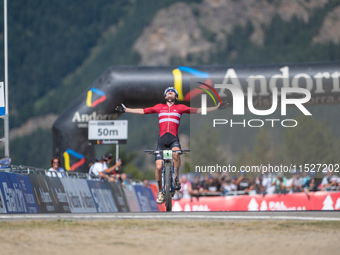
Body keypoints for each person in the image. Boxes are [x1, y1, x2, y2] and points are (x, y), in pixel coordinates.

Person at [115, 86, 226, 204]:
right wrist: (125, 109)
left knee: (177, 154)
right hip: (162, 140)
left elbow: (198, 110)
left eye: (172, 92)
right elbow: (143, 111)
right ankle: (160, 191)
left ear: (176, 97)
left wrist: (217, 108)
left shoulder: (180, 107)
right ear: (165, 96)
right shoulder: (159, 107)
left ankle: (176, 179)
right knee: (158, 167)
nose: (170, 93)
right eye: (168, 92)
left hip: (173, 139)